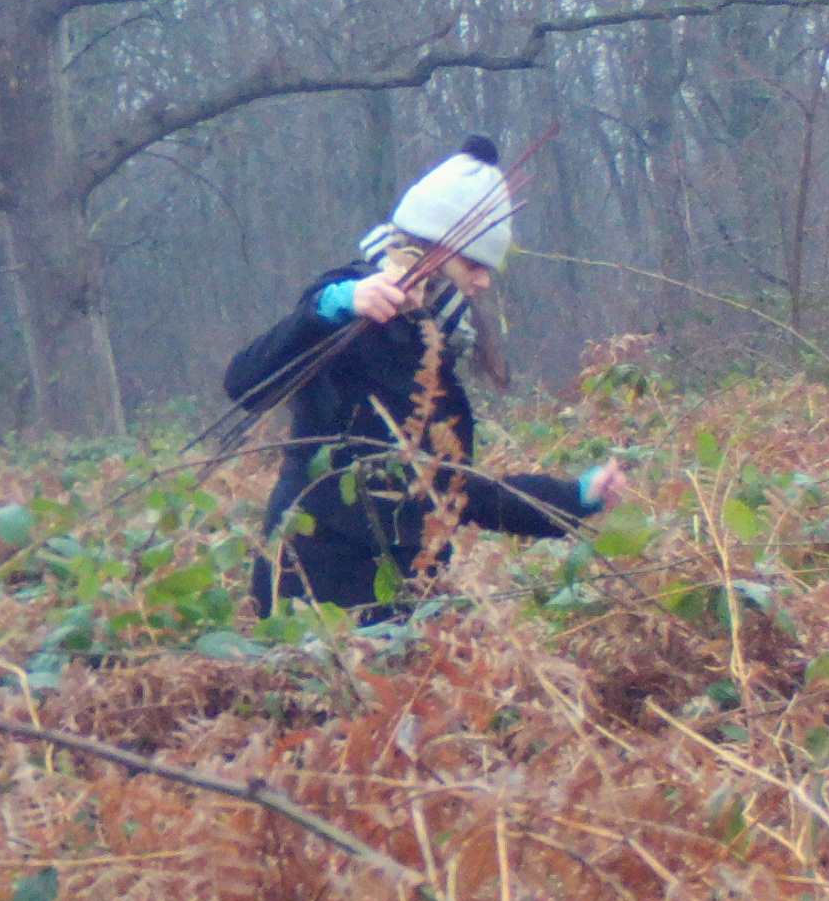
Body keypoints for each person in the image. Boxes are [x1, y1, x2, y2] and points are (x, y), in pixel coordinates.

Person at [220, 135, 636, 617]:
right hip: (315, 594)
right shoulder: (348, 304)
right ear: (434, 246)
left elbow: (453, 489)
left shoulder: (432, 344)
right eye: (474, 264)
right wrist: (332, 308)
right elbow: (244, 382)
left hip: (403, 594)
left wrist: (573, 498)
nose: (483, 281)